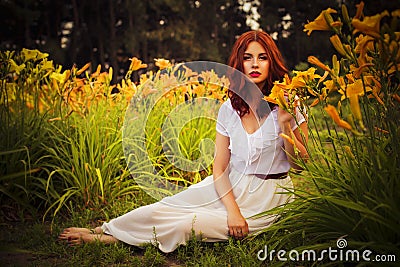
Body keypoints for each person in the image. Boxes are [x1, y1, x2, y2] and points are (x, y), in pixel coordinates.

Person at [58, 30, 309, 253]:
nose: (255, 64)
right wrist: (232, 210)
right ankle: (105, 229)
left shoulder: (291, 102)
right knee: (162, 208)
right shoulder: (228, 109)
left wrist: (285, 122)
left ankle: (113, 241)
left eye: (262, 57)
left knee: (187, 225)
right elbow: (219, 168)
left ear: (271, 62)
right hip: (228, 187)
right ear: (238, 64)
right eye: (247, 57)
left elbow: (300, 166)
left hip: (267, 198)